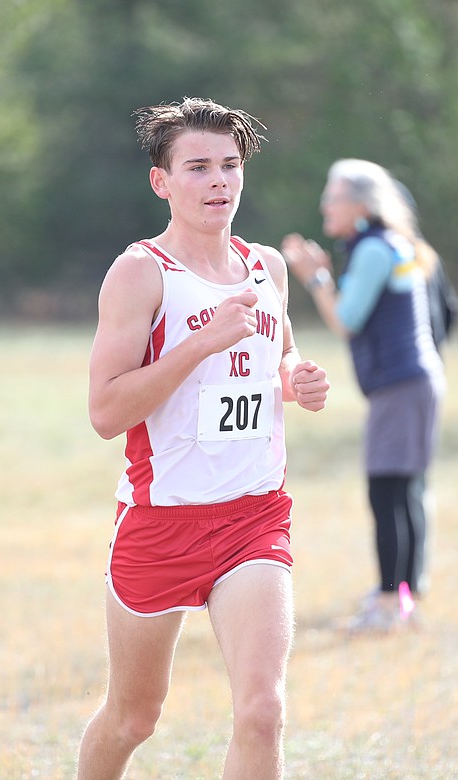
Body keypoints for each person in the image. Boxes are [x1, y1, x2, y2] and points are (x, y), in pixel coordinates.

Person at [78, 97, 330, 779]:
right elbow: (105, 412)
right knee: (134, 717)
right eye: (197, 168)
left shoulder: (267, 268)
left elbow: (276, 363)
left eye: (229, 165)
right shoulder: (140, 274)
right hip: (161, 523)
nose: (218, 181)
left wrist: (296, 381)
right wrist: (200, 341)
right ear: (162, 181)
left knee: (261, 712)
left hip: (253, 518)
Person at [281, 159, 446, 633]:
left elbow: (345, 320)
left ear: (359, 204)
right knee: (403, 490)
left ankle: (390, 604)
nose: (324, 205)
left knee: (386, 492)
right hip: (412, 382)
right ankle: (402, 596)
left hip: (401, 385)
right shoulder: (384, 244)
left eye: (332, 196)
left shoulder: (374, 249)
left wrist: (314, 278)